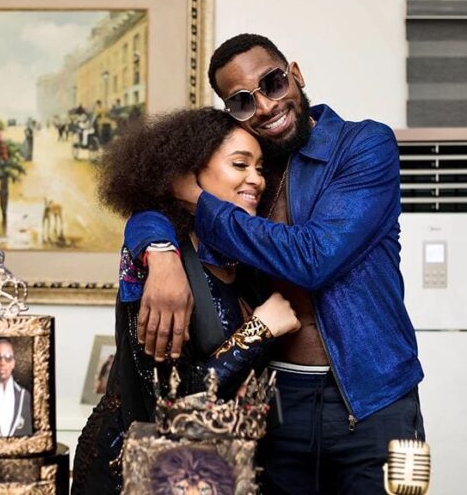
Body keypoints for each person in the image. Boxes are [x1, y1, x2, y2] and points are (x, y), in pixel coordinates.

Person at [124, 34, 425, 494]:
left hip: (372, 398)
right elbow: (154, 208)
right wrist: (161, 253)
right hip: (274, 401)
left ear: (295, 75)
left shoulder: (362, 145)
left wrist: (198, 199)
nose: (265, 106)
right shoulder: (249, 177)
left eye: (273, 83)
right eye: (243, 101)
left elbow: (313, 258)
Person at [71, 107, 301, 495]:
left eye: (260, 168)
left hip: (210, 469)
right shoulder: (159, 259)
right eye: (240, 164)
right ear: (191, 172)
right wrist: (259, 331)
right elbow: (167, 397)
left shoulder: (244, 260)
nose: (256, 179)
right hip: (128, 470)